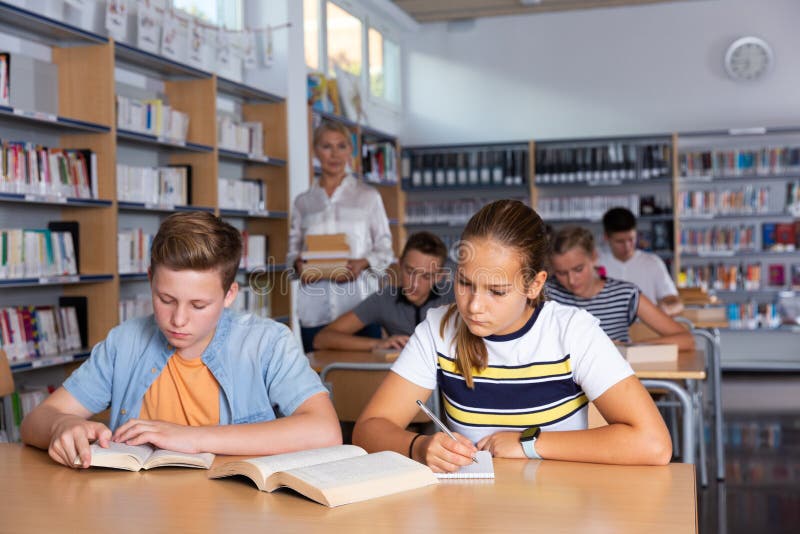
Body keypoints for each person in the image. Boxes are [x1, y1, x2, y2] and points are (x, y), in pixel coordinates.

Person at [353, 200, 672, 472]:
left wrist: (529, 443)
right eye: (465, 283)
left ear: (534, 285)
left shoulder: (572, 331)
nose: (474, 306)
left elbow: (654, 444)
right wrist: (419, 447)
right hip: (473, 512)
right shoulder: (438, 330)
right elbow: (368, 429)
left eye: (497, 291)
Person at [21, 212, 341, 468]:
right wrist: (60, 426)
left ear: (230, 295)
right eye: (166, 299)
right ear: (150, 279)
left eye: (198, 305)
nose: (178, 320)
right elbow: (36, 420)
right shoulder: (125, 342)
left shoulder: (267, 343)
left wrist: (195, 438)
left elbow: (325, 431)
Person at [288, 120, 394, 352]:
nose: (334, 154)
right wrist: (297, 264)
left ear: (350, 152)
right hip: (314, 311)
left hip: (360, 309)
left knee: (361, 382)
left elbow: (385, 249)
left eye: (341, 146)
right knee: (318, 380)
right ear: (315, 151)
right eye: (326, 146)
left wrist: (363, 262)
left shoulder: (368, 197)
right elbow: (292, 252)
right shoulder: (304, 202)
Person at [547, 225, 693, 349]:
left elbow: (686, 340)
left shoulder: (625, 294)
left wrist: (627, 348)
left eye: (578, 269)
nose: (571, 280)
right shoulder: (546, 293)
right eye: (561, 273)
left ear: (594, 257)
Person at [313, 231, 454, 351]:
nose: (415, 284)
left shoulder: (455, 297)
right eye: (410, 271)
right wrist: (379, 343)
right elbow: (322, 339)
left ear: (438, 277)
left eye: (426, 276)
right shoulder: (384, 299)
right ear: (399, 264)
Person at [597, 207, 683, 316]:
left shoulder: (653, 263)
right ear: (606, 237)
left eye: (631, 239)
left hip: (646, 329)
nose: (627, 246)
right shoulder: (596, 264)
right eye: (620, 241)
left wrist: (666, 310)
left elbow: (675, 302)